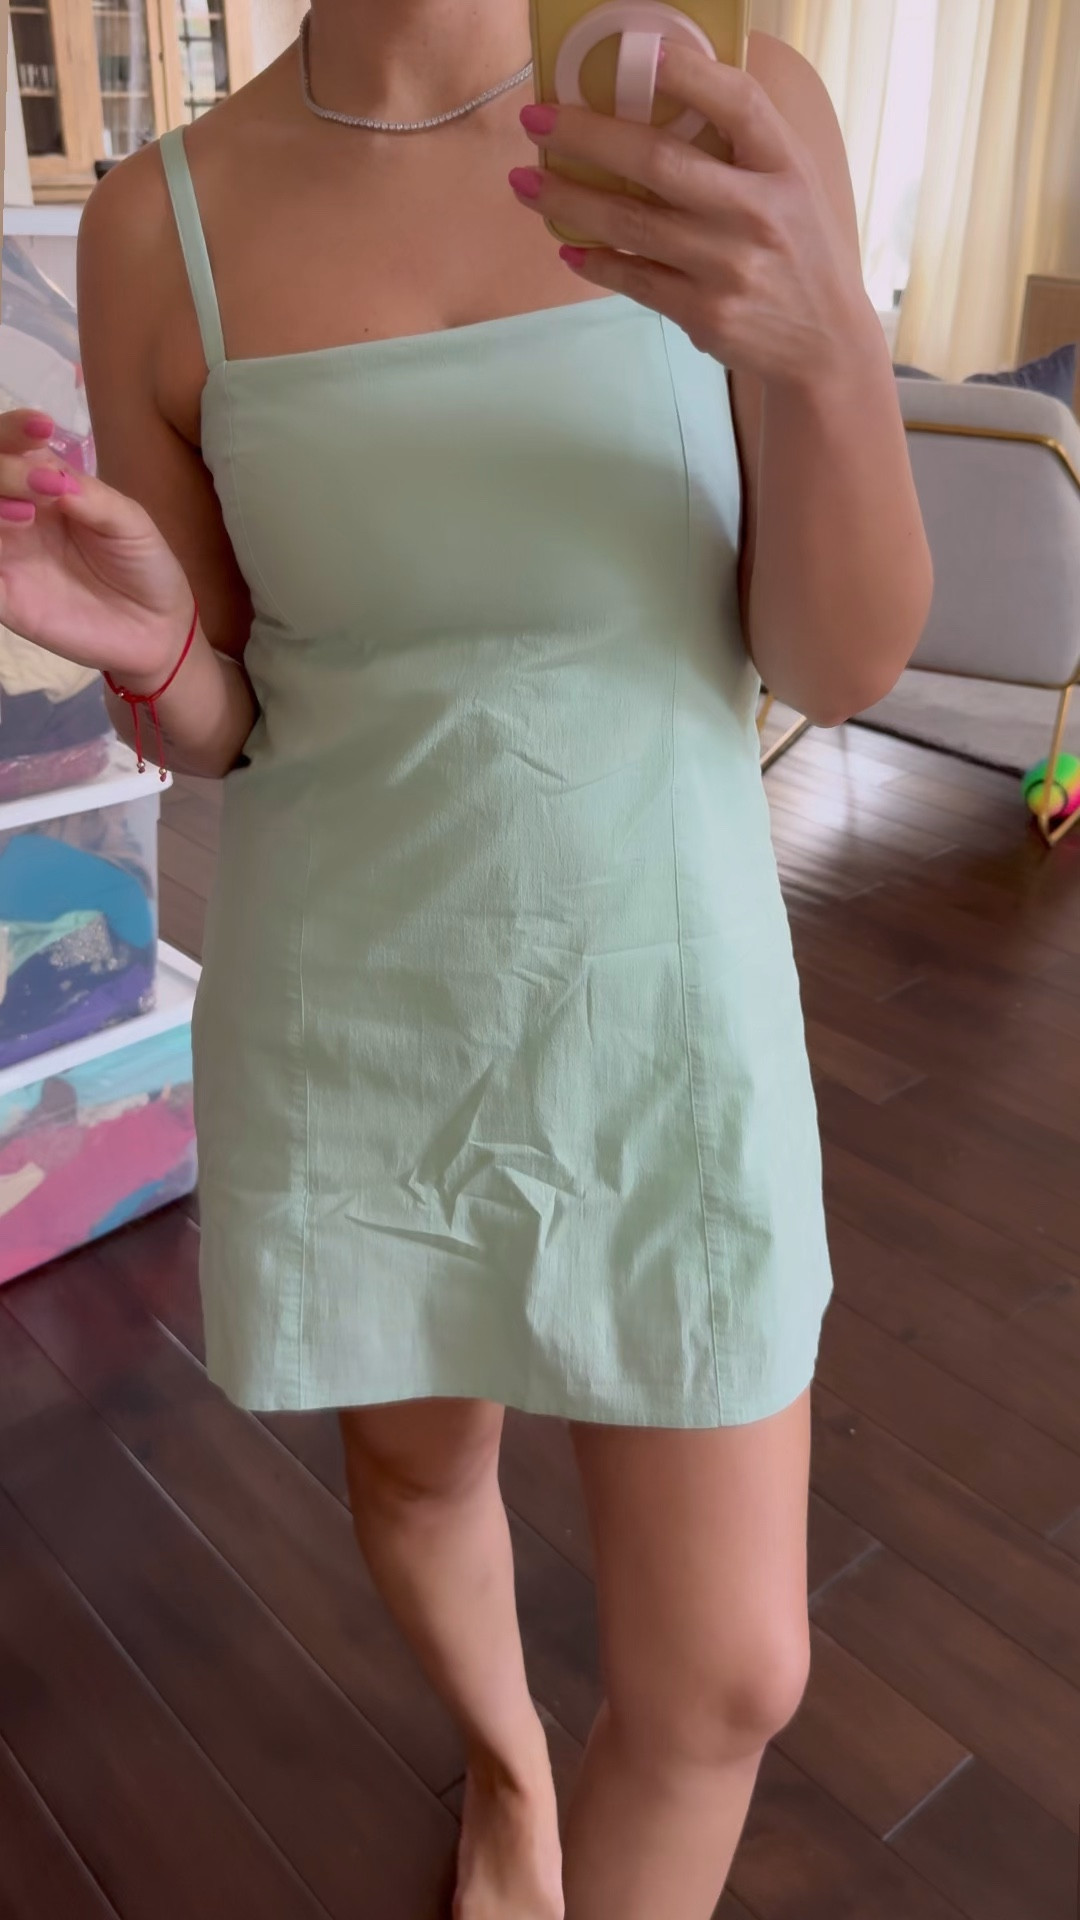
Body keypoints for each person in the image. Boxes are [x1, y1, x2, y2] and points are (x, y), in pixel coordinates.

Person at [0, 5, 932, 1914]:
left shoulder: (727, 101)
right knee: (422, 1478)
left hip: (667, 987)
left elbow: (839, 665)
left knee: (731, 1674)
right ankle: (509, 1773)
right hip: (359, 997)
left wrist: (833, 349)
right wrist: (152, 651)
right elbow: (229, 712)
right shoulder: (160, 218)